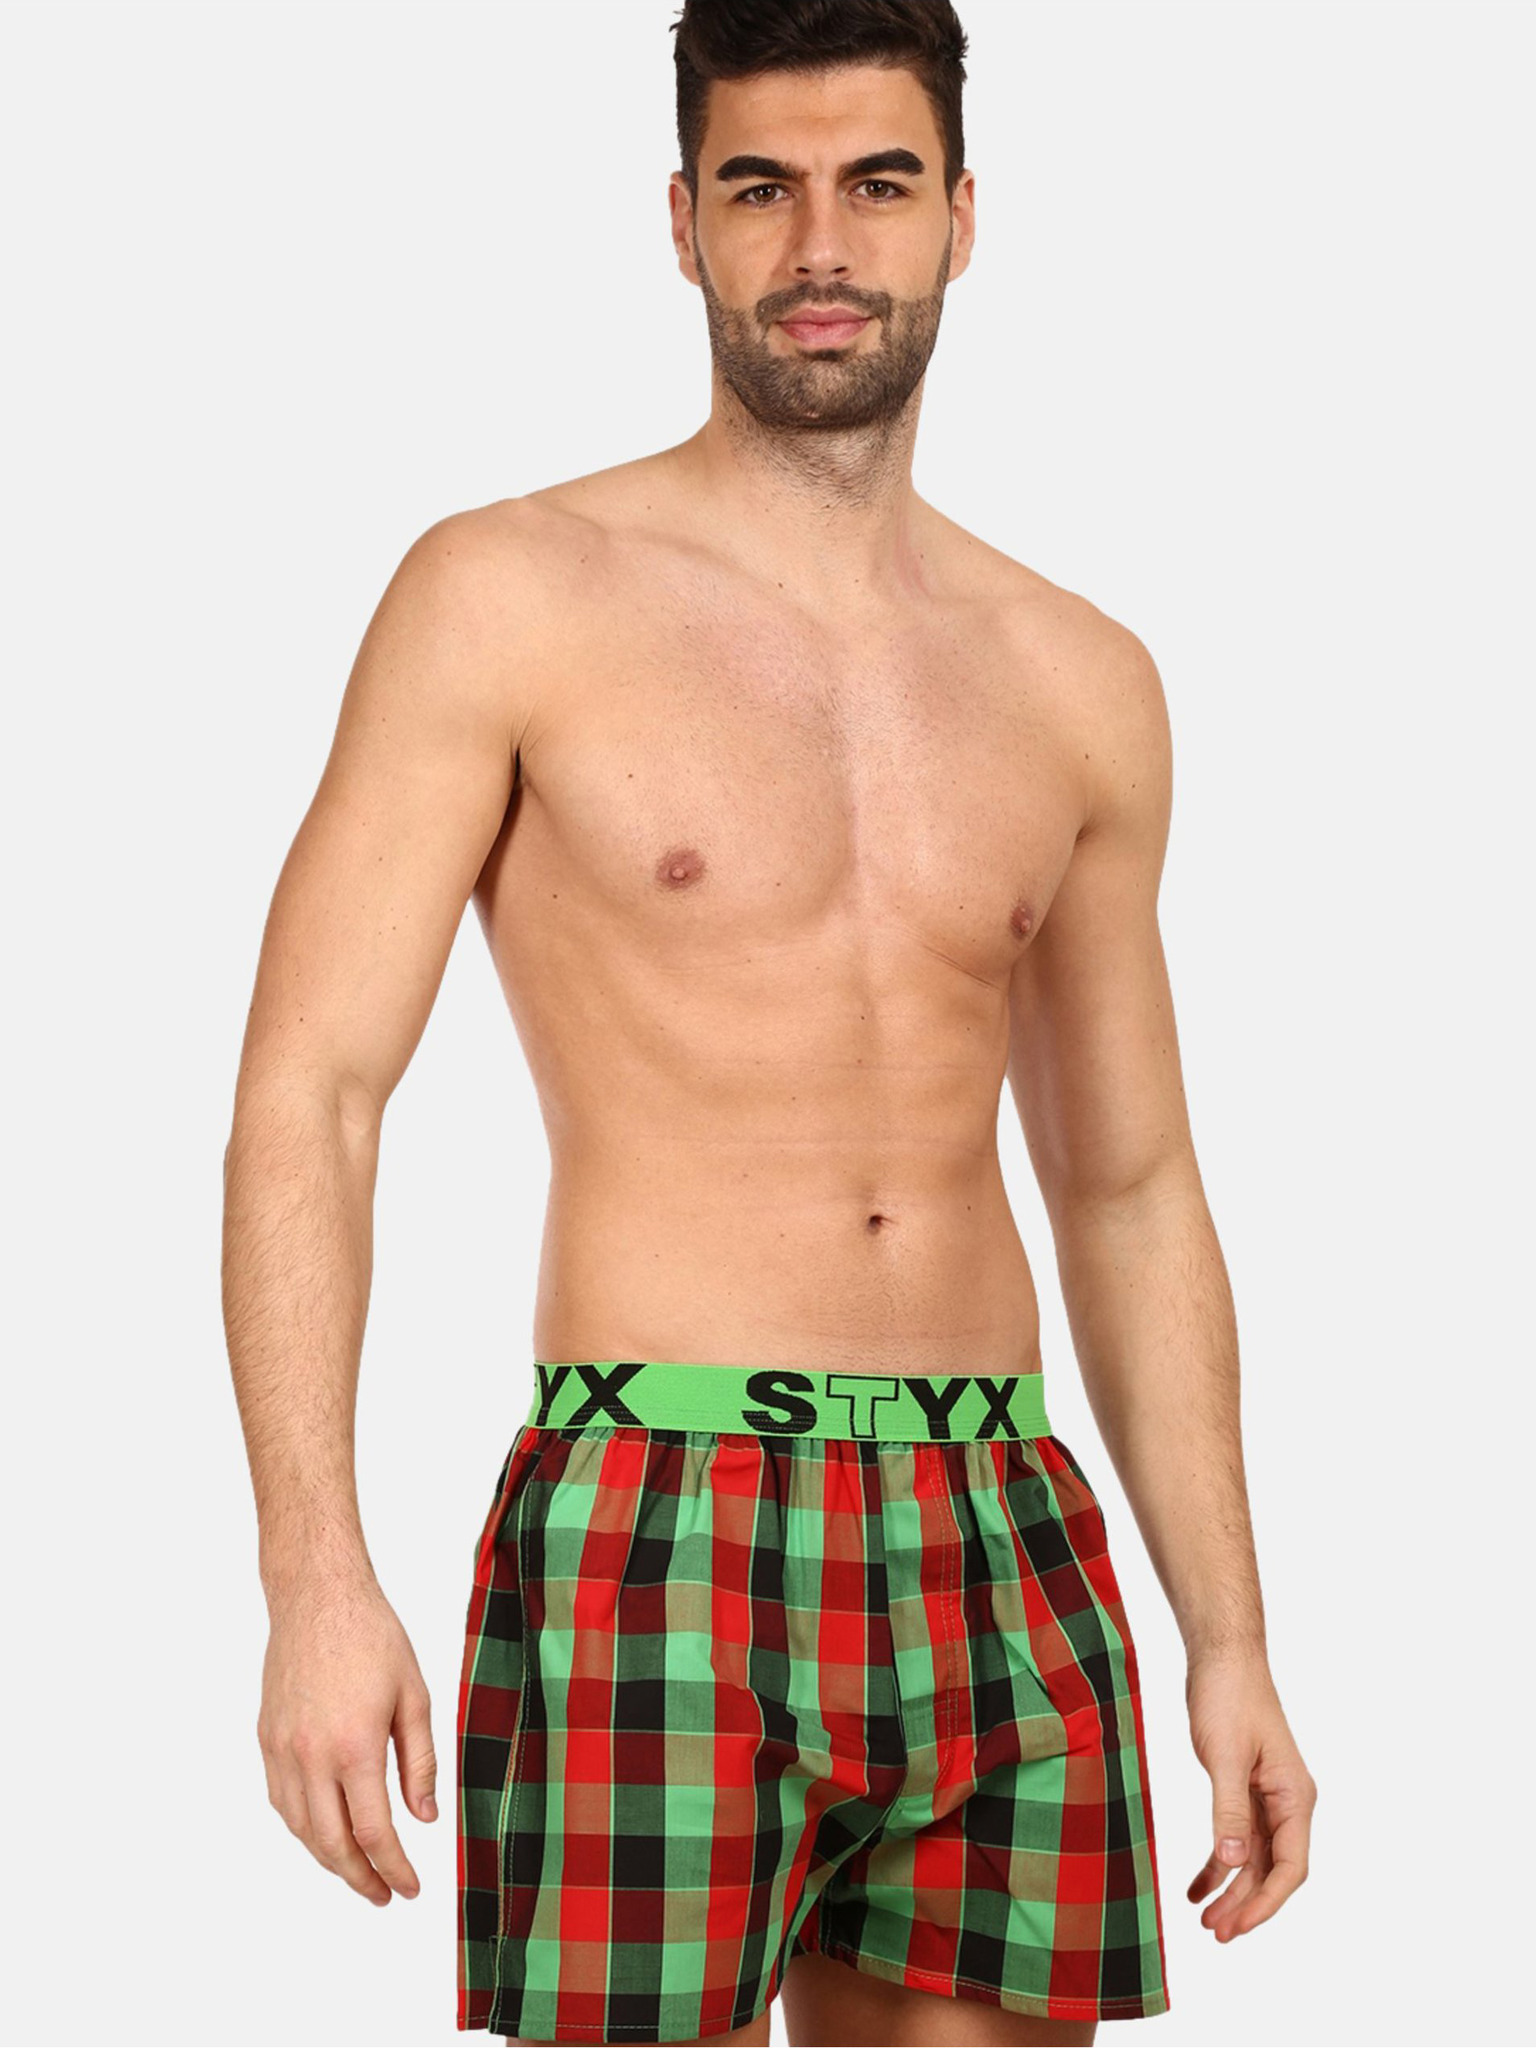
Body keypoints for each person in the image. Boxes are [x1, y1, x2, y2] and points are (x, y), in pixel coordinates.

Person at [221, 2, 1316, 2042]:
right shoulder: (508, 593)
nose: (822, 242)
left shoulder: (1080, 675)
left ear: (961, 217)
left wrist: (1231, 1633)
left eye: (877, 184)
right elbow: (317, 1090)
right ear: (684, 222)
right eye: (762, 186)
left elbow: (1132, 1185)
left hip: (996, 1513)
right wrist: (313, 1574)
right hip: (663, 1506)